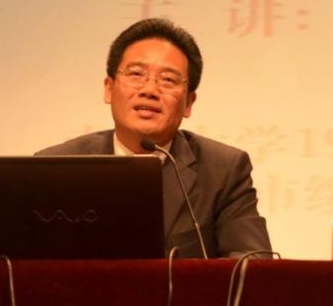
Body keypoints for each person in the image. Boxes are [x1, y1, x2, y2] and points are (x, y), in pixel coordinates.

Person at [37, 18, 271, 258]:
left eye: (168, 80)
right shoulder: (55, 167)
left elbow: (253, 261)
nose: (149, 90)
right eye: (136, 74)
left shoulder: (223, 170)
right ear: (109, 88)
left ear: (188, 103)